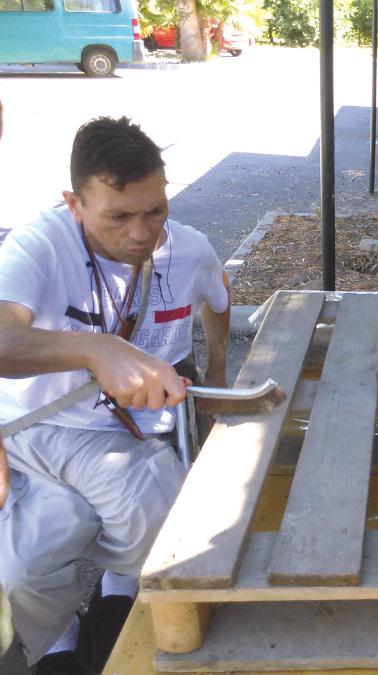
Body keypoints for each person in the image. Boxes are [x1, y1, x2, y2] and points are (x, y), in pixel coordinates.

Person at [0, 116, 230, 675]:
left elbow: (219, 304)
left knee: (159, 531)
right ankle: (51, 642)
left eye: (155, 209)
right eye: (118, 216)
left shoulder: (191, 249)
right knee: (30, 574)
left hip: (139, 437)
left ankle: (115, 595)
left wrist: (218, 372)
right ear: (73, 203)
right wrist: (96, 350)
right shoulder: (39, 242)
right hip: (41, 431)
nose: (141, 232)